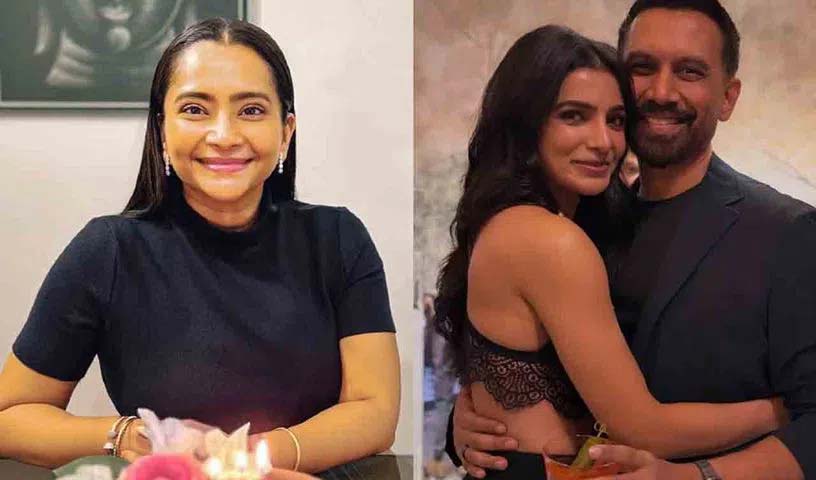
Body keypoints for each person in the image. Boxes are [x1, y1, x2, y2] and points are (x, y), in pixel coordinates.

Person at [0, 18, 400, 474]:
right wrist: (129, 435)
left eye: (251, 110)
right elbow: (10, 417)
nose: (224, 135)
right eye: (195, 109)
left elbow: (374, 411)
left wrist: (244, 460)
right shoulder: (108, 251)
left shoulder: (338, 239)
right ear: (162, 130)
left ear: (286, 131)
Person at [447, 1, 816, 479]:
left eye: (689, 71)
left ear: (727, 97)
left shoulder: (785, 232)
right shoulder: (576, 224)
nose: (661, 91)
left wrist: (696, 477)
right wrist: (467, 423)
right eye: (642, 67)